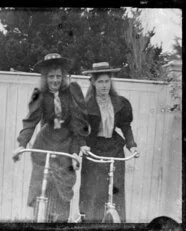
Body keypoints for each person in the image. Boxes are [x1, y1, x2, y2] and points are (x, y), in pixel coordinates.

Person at [13, 53, 90, 222]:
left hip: (66, 145)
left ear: (63, 77)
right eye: (51, 76)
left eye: (58, 76)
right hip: (44, 143)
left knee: (63, 190)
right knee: (41, 186)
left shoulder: (71, 92)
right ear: (45, 77)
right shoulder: (39, 94)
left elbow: (78, 121)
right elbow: (30, 121)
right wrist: (22, 144)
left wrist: (80, 146)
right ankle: (39, 219)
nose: (55, 80)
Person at [79, 62, 138, 223]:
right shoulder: (86, 105)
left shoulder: (120, 103)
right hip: (94, 150)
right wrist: (82, 144)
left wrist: (132, 145)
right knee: (95, 193)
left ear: (110, 82)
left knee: (115, 191)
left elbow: (125, 127)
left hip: (114, 149)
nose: (104, 85)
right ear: (92, 82)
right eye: (100, 82)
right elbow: (80, 130)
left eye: (107, 81)